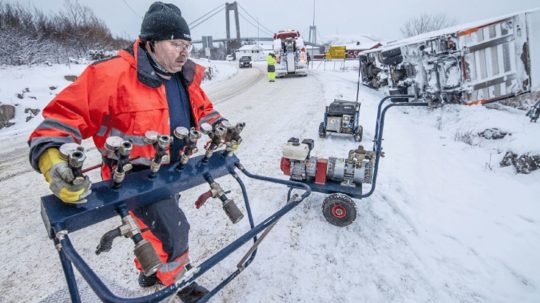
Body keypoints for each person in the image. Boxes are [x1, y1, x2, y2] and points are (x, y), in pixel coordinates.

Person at [28, 2, 229, 302]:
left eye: (187, 43)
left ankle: (149, 270)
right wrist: (52, 156)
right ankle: (179, 282)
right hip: (135, 177)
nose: (184, 51)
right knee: (175, 231)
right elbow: (63, 117)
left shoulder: (183, 77)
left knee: (159, 228)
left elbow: (204, 110)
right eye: (175, 43)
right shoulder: (110, 76)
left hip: (175, 170)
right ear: (150, 42)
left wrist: (221, 126)